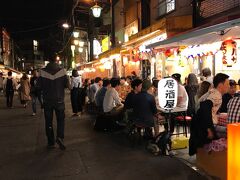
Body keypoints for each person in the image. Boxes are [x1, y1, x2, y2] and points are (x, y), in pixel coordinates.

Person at [189, 73, 229, 155]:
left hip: (200, 124)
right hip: (206, 125)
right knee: (230, 132)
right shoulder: (216, 95)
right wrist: (209, 129)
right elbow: (205, 108)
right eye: (227, 84)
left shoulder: (212, 91)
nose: (228, 86)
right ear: (221, 85)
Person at [37, 59, 69, 150]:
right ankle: (60, 137)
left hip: (47, 101)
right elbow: (68, 86)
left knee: (48, 121)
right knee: (61, 120)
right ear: (56, 61)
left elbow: (38, 87)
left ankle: (51, 142)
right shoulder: (62, 71)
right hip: (59, 101)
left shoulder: (42, 72)